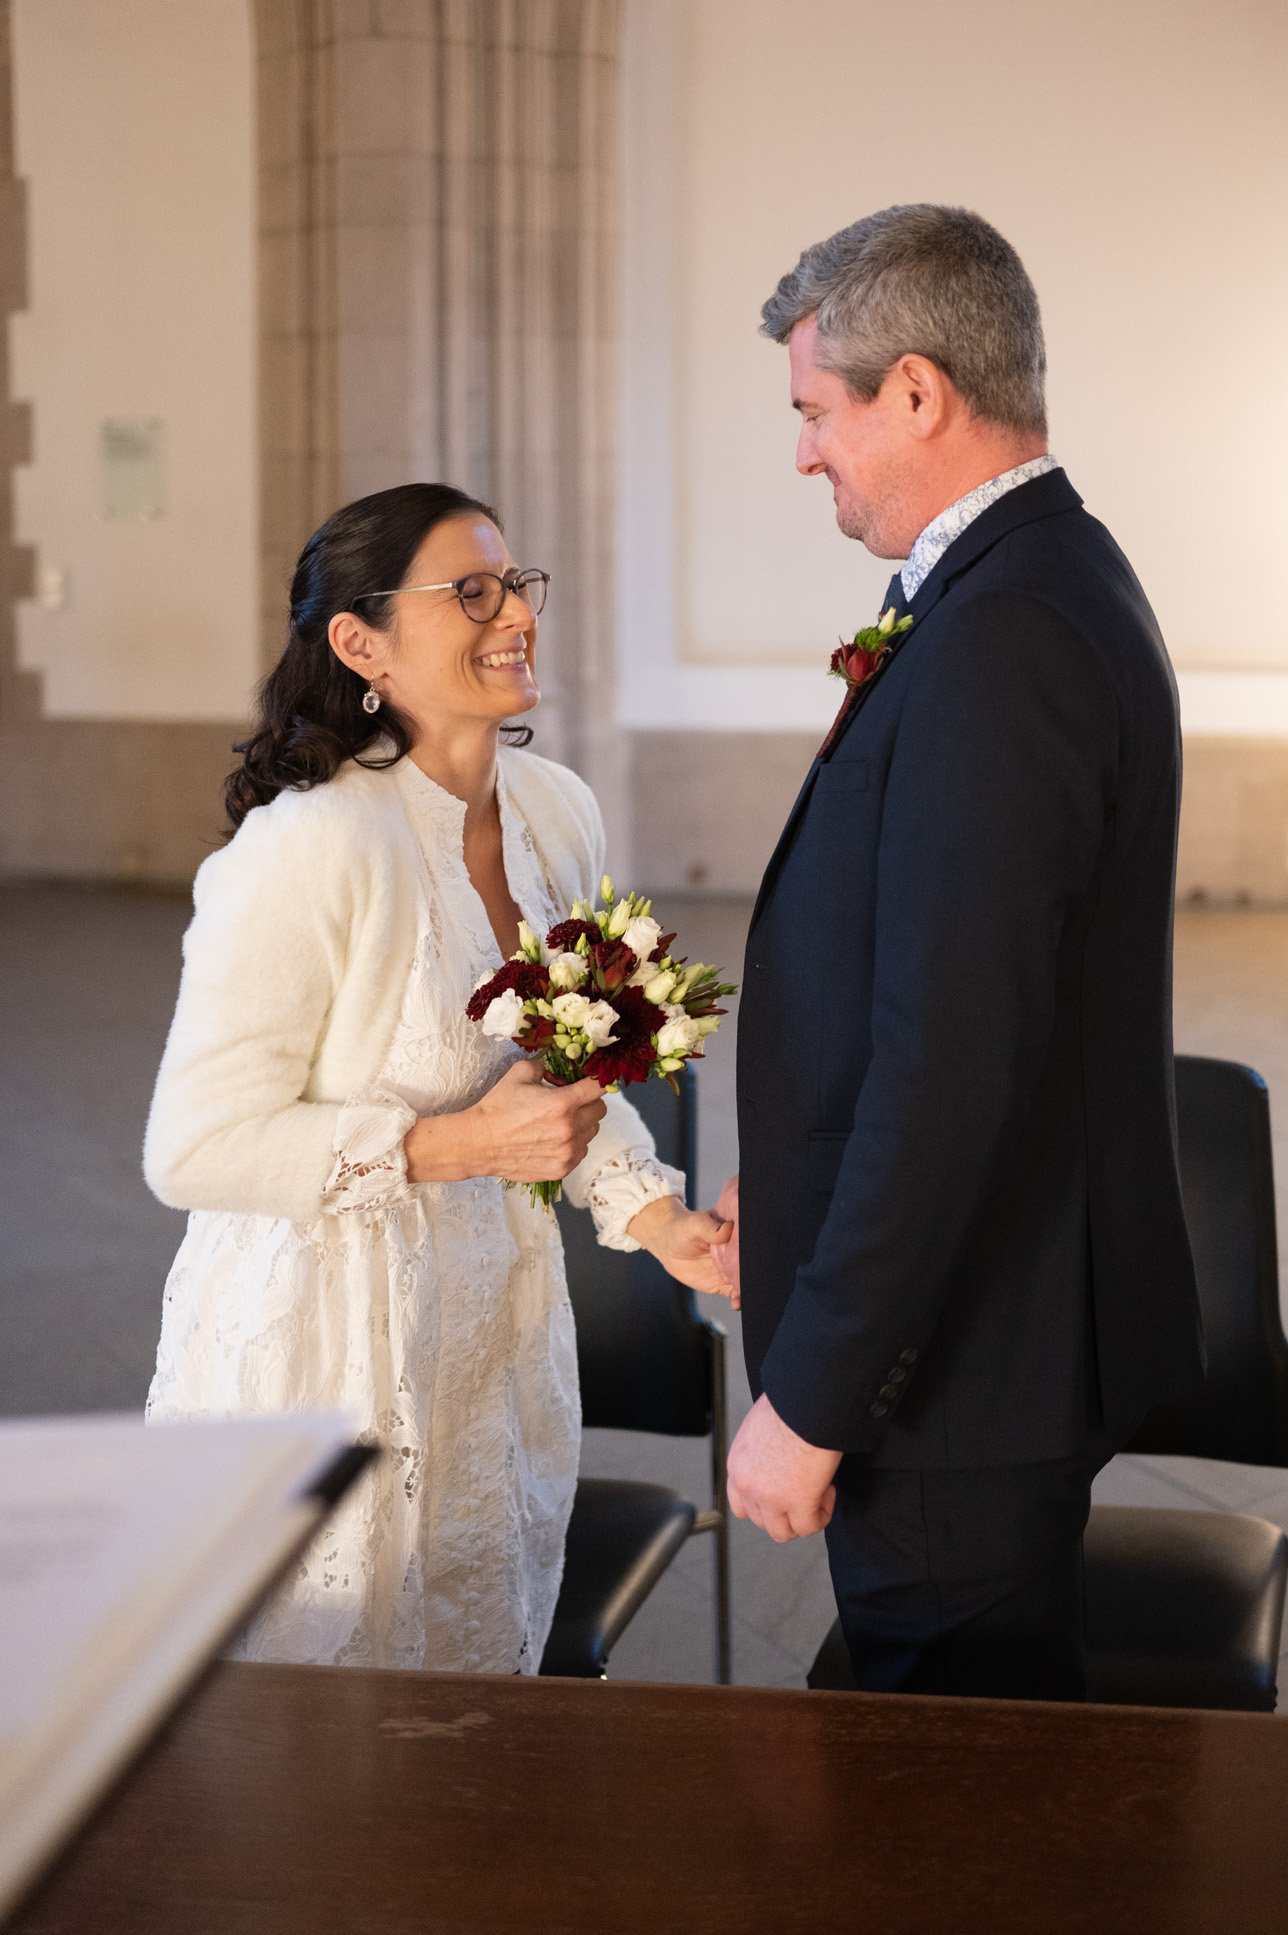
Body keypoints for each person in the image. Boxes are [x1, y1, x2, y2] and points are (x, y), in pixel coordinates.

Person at [717, 205, 1204, 1699]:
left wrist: (815, 1393)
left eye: (816, 413)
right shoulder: (1027, 577)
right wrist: (793, 1192)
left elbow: (954, 1063)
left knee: (942, 1778)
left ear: (917, 392)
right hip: (990, 1323)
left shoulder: (1005, 635)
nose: (806, 454)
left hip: (965, 1367)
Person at [144, 482, 731, 1674]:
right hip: (325, 1355)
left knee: (476, 1694)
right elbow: (193, 1148)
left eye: (515, 584)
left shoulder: (555, 812)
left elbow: (560, 1072)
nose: (515, 613)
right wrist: (455, 1148)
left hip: (491, 1336)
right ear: (362, 645)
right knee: (329, 1727)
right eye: (470, 592)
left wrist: (662, 1224)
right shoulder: (309, 846)